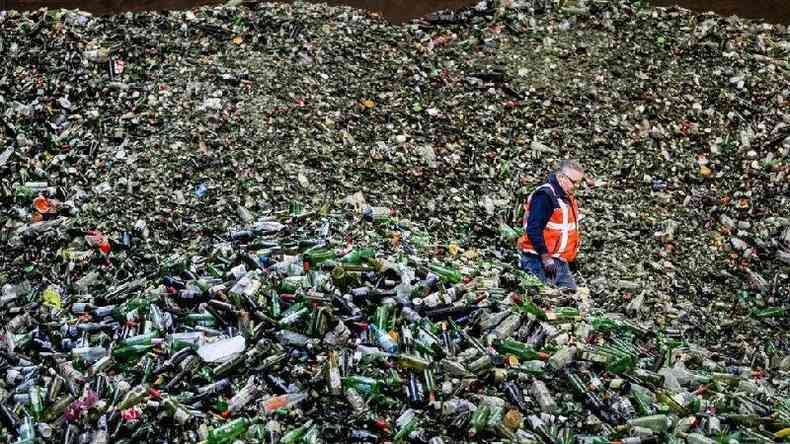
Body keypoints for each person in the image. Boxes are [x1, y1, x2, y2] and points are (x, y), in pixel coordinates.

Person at [517, 160, 584, 290]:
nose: (577, 186)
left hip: (558, 260)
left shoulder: (566, 196)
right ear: (561, 177)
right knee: (540, 298)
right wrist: (546, 258)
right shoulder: (546, 196)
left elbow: (565, 230)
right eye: (574, 182)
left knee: (570, 299)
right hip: (537, 259)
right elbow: (533, 229)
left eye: (579, 182)